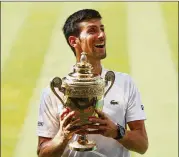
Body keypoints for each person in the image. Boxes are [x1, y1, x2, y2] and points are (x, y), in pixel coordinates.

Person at [37, 9, 148, 157]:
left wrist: (117, 132)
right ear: (74, 41)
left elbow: (142, 145)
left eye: (102, 29)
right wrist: (63, 136)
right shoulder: (53, 92)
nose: (101, 35)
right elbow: (43, 153)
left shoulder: (125, 83)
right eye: (92, 31)